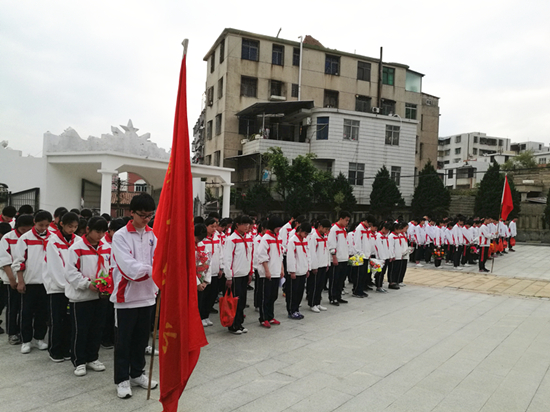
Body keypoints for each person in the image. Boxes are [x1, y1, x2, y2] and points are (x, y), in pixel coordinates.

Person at [110, 193, 158, 399]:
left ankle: (137, 373)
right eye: (142, 215)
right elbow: (129, 268)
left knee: (141, 340)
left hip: (147, 295)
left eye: (150, 215)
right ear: (131, 213)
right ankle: (122, 379)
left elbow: (159, 258)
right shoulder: (120, 236)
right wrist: (153, 269)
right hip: (126, 297)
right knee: (124, 342)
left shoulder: (152, 235)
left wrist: (157, 270)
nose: (146, 219)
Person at [66, 217, 111, 376]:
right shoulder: (76, 249)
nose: (100, 235)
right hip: (81, 297)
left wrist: (107, 283)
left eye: (103, 232)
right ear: (87, 230)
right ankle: (79, 361)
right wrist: (88, 284)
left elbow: (110, 268)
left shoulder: (106, 248)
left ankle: (93, 357)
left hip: (100, 296)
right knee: (80, 331)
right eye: (97, 231)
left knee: (97, 329)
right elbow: (71, 273)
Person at [12, 210, 52, 354]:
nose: (43, 228)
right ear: (34, 222)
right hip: (30, 282)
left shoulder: (52, 238)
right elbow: (19, 262)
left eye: (47, 225)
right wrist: (20, 281)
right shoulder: (25, 238)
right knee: (26, 312)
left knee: (43, 313)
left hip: (47, 283)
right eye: (41, 225)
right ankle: (26, 340)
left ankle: (39, 338)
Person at [45, 212, 79, 362]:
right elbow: (55, 267)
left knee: (69, 321)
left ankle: (66, 348)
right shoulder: (52, 242)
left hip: (74, 288)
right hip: (58, 288)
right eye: (70, 226)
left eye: (75, 227)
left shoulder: (78, 241)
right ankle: (55, 350)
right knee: (57, 320)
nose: (72, 230)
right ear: (62, 224)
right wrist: (65, 285)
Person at [0, 215, 34, 344]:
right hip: (12, 279)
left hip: (28, 279)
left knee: (25, 308)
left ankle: (23, 331)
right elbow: (5, 261)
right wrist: (12, 279)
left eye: (28, 229)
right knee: (13, 306)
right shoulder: (8, 238)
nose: (25, 232)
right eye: (23, 229)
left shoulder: (32, 237)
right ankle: (12, 332)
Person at [223, 215, 253, 335]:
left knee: (242, 301)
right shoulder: (231, 240)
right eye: (244, 224)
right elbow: (227, 259)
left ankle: (239, 323)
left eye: (248, 224)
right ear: (237, 225)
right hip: (235, 275)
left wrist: (250, 272)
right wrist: (229, 276)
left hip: (244, 273)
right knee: (234, 301)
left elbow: (249, 257)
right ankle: (233, 325)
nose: (247, 227)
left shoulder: (247, 238)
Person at [256, 216, 284, 328]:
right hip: (267, 272)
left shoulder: (277, 237)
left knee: (273, 296)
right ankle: (263, 318)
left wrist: (281, 269)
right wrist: (267, 271)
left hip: (276, 271)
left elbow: (280, 254)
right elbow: (262, 256)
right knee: (265, 296)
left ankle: (270, 316)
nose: (279, 229)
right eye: (277, 227)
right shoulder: (266, 238)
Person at [199, 218, 224, 326]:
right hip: (204, 273)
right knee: (203, 296)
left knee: (212, 296)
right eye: (212, 227)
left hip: (214, 271)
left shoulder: (217, 237)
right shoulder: (202, 239)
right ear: (206, 226)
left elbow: (221, 253)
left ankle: (206, 315)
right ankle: (200, 316)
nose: (214, 229)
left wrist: (220, 267)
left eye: (215, 226)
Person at [285, 222, 312, 320]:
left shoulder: (305, 240)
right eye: (305, 233)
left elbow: (308, 255)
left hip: (303, 270)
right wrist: (292, 271)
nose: (306, 236)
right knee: (293, 292)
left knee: (300, 291)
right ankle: (291, 310)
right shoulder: (292, 241)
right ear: (300, 231)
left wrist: (308, 268)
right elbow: (291, 257)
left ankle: (296, 309)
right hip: (295, 271)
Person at [327, 211, 351, 306]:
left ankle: (338, 295)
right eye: (346, 220)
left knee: (341, 279)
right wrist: (334, 257)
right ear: (340, 218)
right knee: (334, 279)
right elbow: (331, 244)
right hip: (337, 259)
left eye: (348, 221)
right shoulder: (334, 229)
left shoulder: (344, 229)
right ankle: (332, 297)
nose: (347, 222)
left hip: (344, 258)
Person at [307, 219, 331, 313]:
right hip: (317, 265)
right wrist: (314, 266)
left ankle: (318, 302)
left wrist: (327, 263)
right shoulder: (314, 237)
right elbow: (312, 253)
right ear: (320, 226)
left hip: (323, 264)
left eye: (328, 229)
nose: (326, 231)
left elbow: (327, 250)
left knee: (320, 285)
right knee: (314, 285)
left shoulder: (325, 236)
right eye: (325, 228)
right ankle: (312, 303)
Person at [374, 222, 392, 293]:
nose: (388, 232)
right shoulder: (378, 236)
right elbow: (379, 248)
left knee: (383, 272)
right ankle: (378, 286)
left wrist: (389, 255)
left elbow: (388, 247)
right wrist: (381, 258)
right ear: (383, 228)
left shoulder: (385, 236)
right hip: (381, 257)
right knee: (380, 272)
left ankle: (380, 285)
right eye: (387, 230)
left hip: (386, 256)